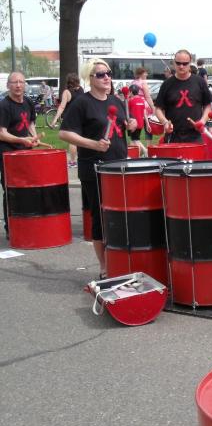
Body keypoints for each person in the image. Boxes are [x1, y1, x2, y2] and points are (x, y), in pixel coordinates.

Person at [60, 59, 135, 277]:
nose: (107, 77)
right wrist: (93, 144)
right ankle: (104, 267)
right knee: (100, 217)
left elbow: (122, 128)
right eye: (101, 74)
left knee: (119, 217)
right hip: (94, 168)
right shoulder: (82, 103)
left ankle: (120, 261)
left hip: (118, 167)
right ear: (90, 78)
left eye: (108, 73)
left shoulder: (115, 101)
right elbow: (65, 133)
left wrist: (131, 125)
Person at [0, 72, 40, 237]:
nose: (18, 85)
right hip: (8, 153)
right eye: (14, 82)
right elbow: (1, 133)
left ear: (25, 85)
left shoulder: (28, 102)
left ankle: (26, 223)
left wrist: (34, 137)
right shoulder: (4, 106)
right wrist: (21, 140)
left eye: (21, 82)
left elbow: (30, 123)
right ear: (8, 85)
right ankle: (11, 228)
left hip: (25, 152)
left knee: (27, 189)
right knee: (11, 191)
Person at [154, 49, 212, 143]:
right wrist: (165, 122)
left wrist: (202, 121)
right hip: (173, 136)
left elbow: (208, 105)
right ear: (174, 63)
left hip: (195, 135)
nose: (181, 66)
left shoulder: (199, 82)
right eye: (178, 63)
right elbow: (158, 109)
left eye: (185, 64)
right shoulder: (167, 84)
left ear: (190, 63)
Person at [51, 73, 83, 167]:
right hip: (81, 117)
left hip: (71, 118)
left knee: (72, 141)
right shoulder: (81, 90)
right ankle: (80, 159)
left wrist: (55, 119)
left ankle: (72, 161)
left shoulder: (67, 92)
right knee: (80, 139)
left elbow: (62, 107)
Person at [127, 85, 148, 155]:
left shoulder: (130, 101)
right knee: (134, 140)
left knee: (135, 140)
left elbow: (127, 112)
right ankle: (136, 154)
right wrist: (147, 124)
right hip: (141, 123)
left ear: (131, 92)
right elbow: (144, 113)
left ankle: (144, 151)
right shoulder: (142, 100)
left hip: (133, 124)